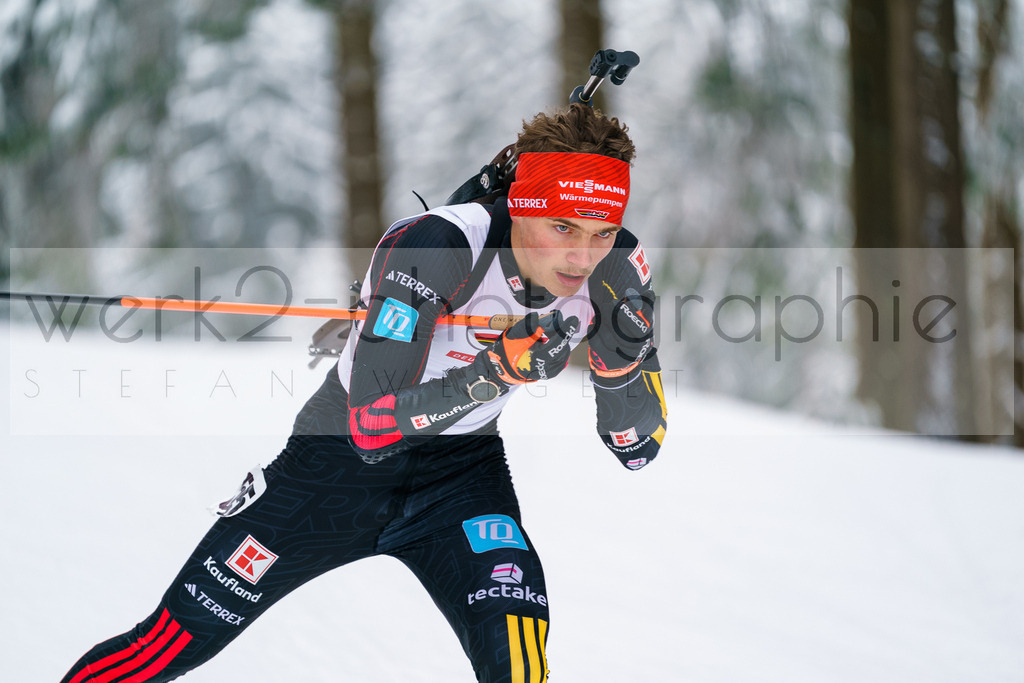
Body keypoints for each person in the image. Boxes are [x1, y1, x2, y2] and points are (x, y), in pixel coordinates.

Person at [60, 103, 667, 683]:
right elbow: (370, 428)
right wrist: (494, 373)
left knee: (521, 666)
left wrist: (622, 364)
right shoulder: (439, 246)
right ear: (519, 206)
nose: (581, 255)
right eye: (562, 226)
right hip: (333, 469)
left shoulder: (616, 267)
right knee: (166, 646)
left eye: (601, 231)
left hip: (460, 477)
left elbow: (637, 449)